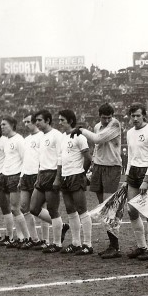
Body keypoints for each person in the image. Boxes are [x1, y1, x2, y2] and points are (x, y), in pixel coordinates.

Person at [73, 103, 123, 258]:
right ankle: (112, 245)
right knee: (103, 208)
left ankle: (115, 247)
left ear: (112, 116)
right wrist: (92, 166)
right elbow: (97, 147)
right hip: (99, 167)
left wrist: (81, 130)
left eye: (109, 117)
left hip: (112, 167)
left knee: (110, 209)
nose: (107, 120)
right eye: (104, 117)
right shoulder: (96, 126)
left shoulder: (115, 124)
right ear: (99, 116)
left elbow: (98, 139)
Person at [122, 103, 148, 261]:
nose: (135, 118)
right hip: (133, 173)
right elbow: (130, 157)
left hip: (146, 172)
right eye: (133, 116)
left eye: (138, 115)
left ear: (144, 115)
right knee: (132, 210)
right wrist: (126, 176)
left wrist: (146, 180)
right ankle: (141, 246)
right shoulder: (130, 133)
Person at [54, 109, 93, 255]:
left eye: (62, 120)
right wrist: (58, 177)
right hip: (65, 177)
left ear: (70, 121)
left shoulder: (79, 137)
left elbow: (88, 158)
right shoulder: (63, 138)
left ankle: (88, 244)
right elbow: (60, 160)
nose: (60, 123)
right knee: (70, 210)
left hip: (76, 176)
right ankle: (76, 243)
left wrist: (82, 173)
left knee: (82, 210)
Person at [29, 110, 68, 254]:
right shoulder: (40, 137)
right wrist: (39, 176)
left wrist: (58, 178)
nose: (37, 123)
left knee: (53, 209)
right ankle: (62, 226)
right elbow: (42, 159)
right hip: (42, 174)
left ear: (48, 121)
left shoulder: (57, 135)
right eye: (36, 120)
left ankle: (57, 243)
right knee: (33, 208)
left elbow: (60, 157)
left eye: (39, 120)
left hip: (53, 174)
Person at [18, 113, 46, 249]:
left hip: (38, 175)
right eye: (24, 122)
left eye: (28, 121)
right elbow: (25, 160)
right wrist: (21, 177)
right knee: (24, 207)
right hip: (26, 176)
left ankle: (46, 240)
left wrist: (41, 175)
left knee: (40, 208)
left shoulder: (42, 136)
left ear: (35, 122)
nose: (26, 124)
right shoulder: (26, 139)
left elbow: (44, 158)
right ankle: (34, 239)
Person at [0, 116, 27, 247]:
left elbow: (24, 159)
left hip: (15, 176)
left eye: (4, 124)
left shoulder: (19, 140)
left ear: (12, 125)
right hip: (6, 176)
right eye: (1, 124)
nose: (2, 126)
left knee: (16, 208)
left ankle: (25, 238)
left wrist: (21, 177)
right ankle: (20, 238)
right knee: (11, 208)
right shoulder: (5, 140)